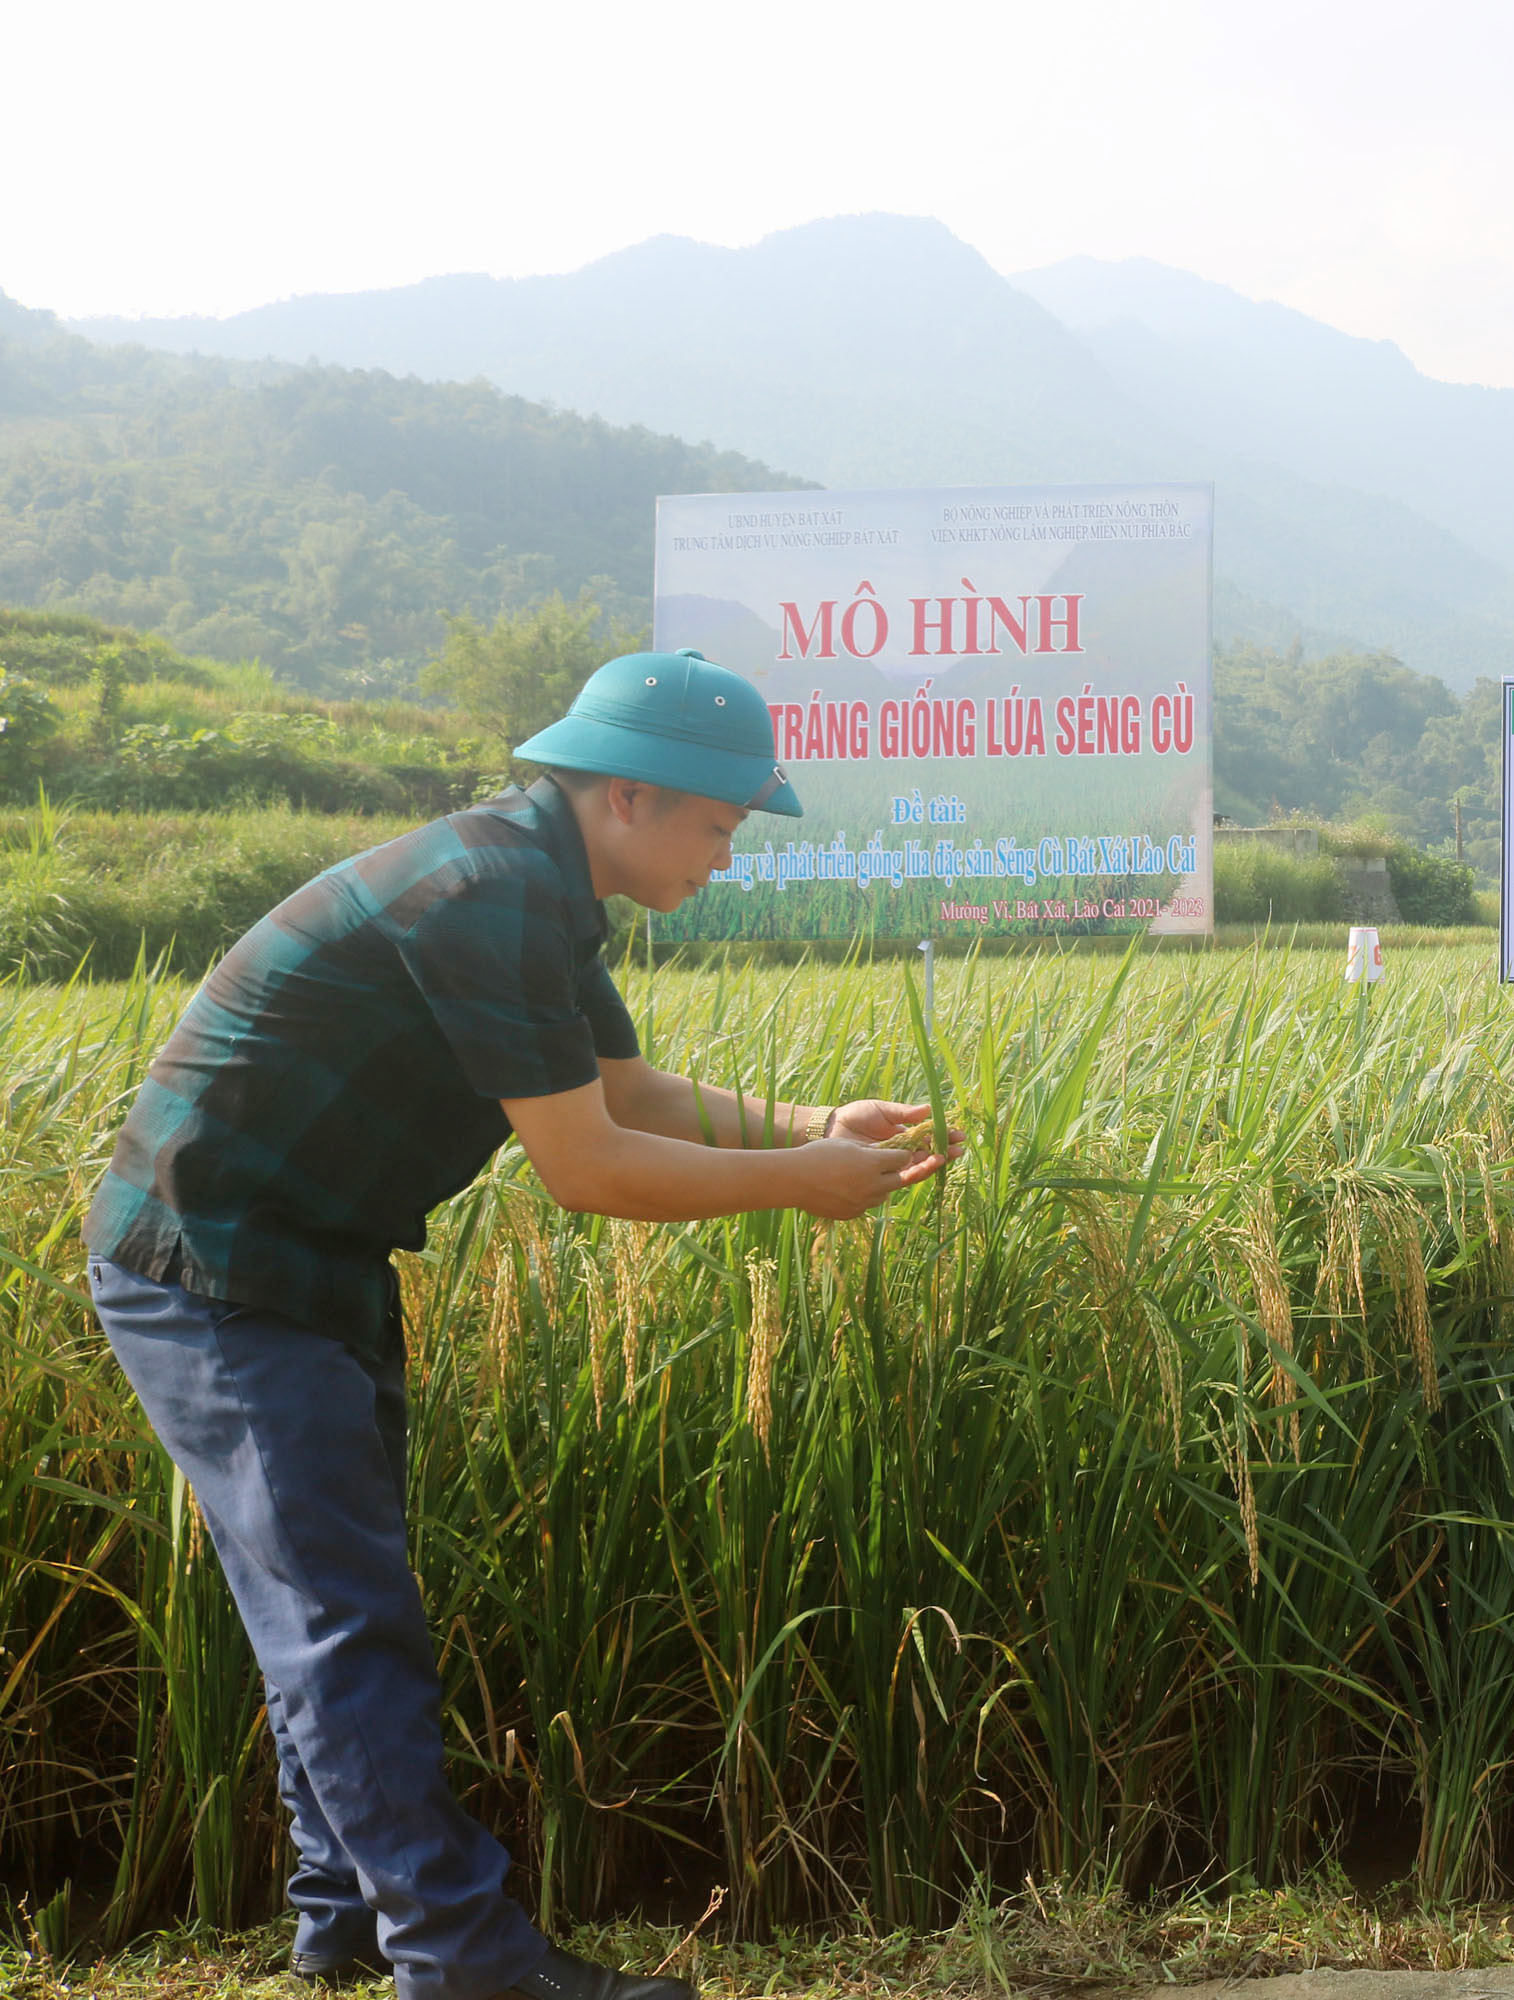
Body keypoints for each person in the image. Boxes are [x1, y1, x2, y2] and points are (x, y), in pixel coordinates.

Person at [84, 650, 961, 2000]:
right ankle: (468, 1966)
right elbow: (591, 1168)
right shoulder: (486, 894)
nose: (725, 858)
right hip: (213, 1266)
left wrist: (808, 1127)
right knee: (340, 1617)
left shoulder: (538, 888)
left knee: (320, 1605)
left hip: (310, 1257)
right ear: (627, 796)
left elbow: (621, 1091)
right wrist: (804, 1187)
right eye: (719, 826)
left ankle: (353, 1930)